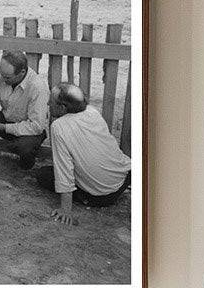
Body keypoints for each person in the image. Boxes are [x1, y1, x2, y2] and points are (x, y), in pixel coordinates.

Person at [36, 83, 132, 225]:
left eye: (51, 101)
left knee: (43, 175)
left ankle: (86, 198)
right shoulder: (92, 111)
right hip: (125, 176)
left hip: (102, 196)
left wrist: (66, 209)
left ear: (63, 107)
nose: (48, 103)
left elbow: (64, 170)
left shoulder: (58, 126)